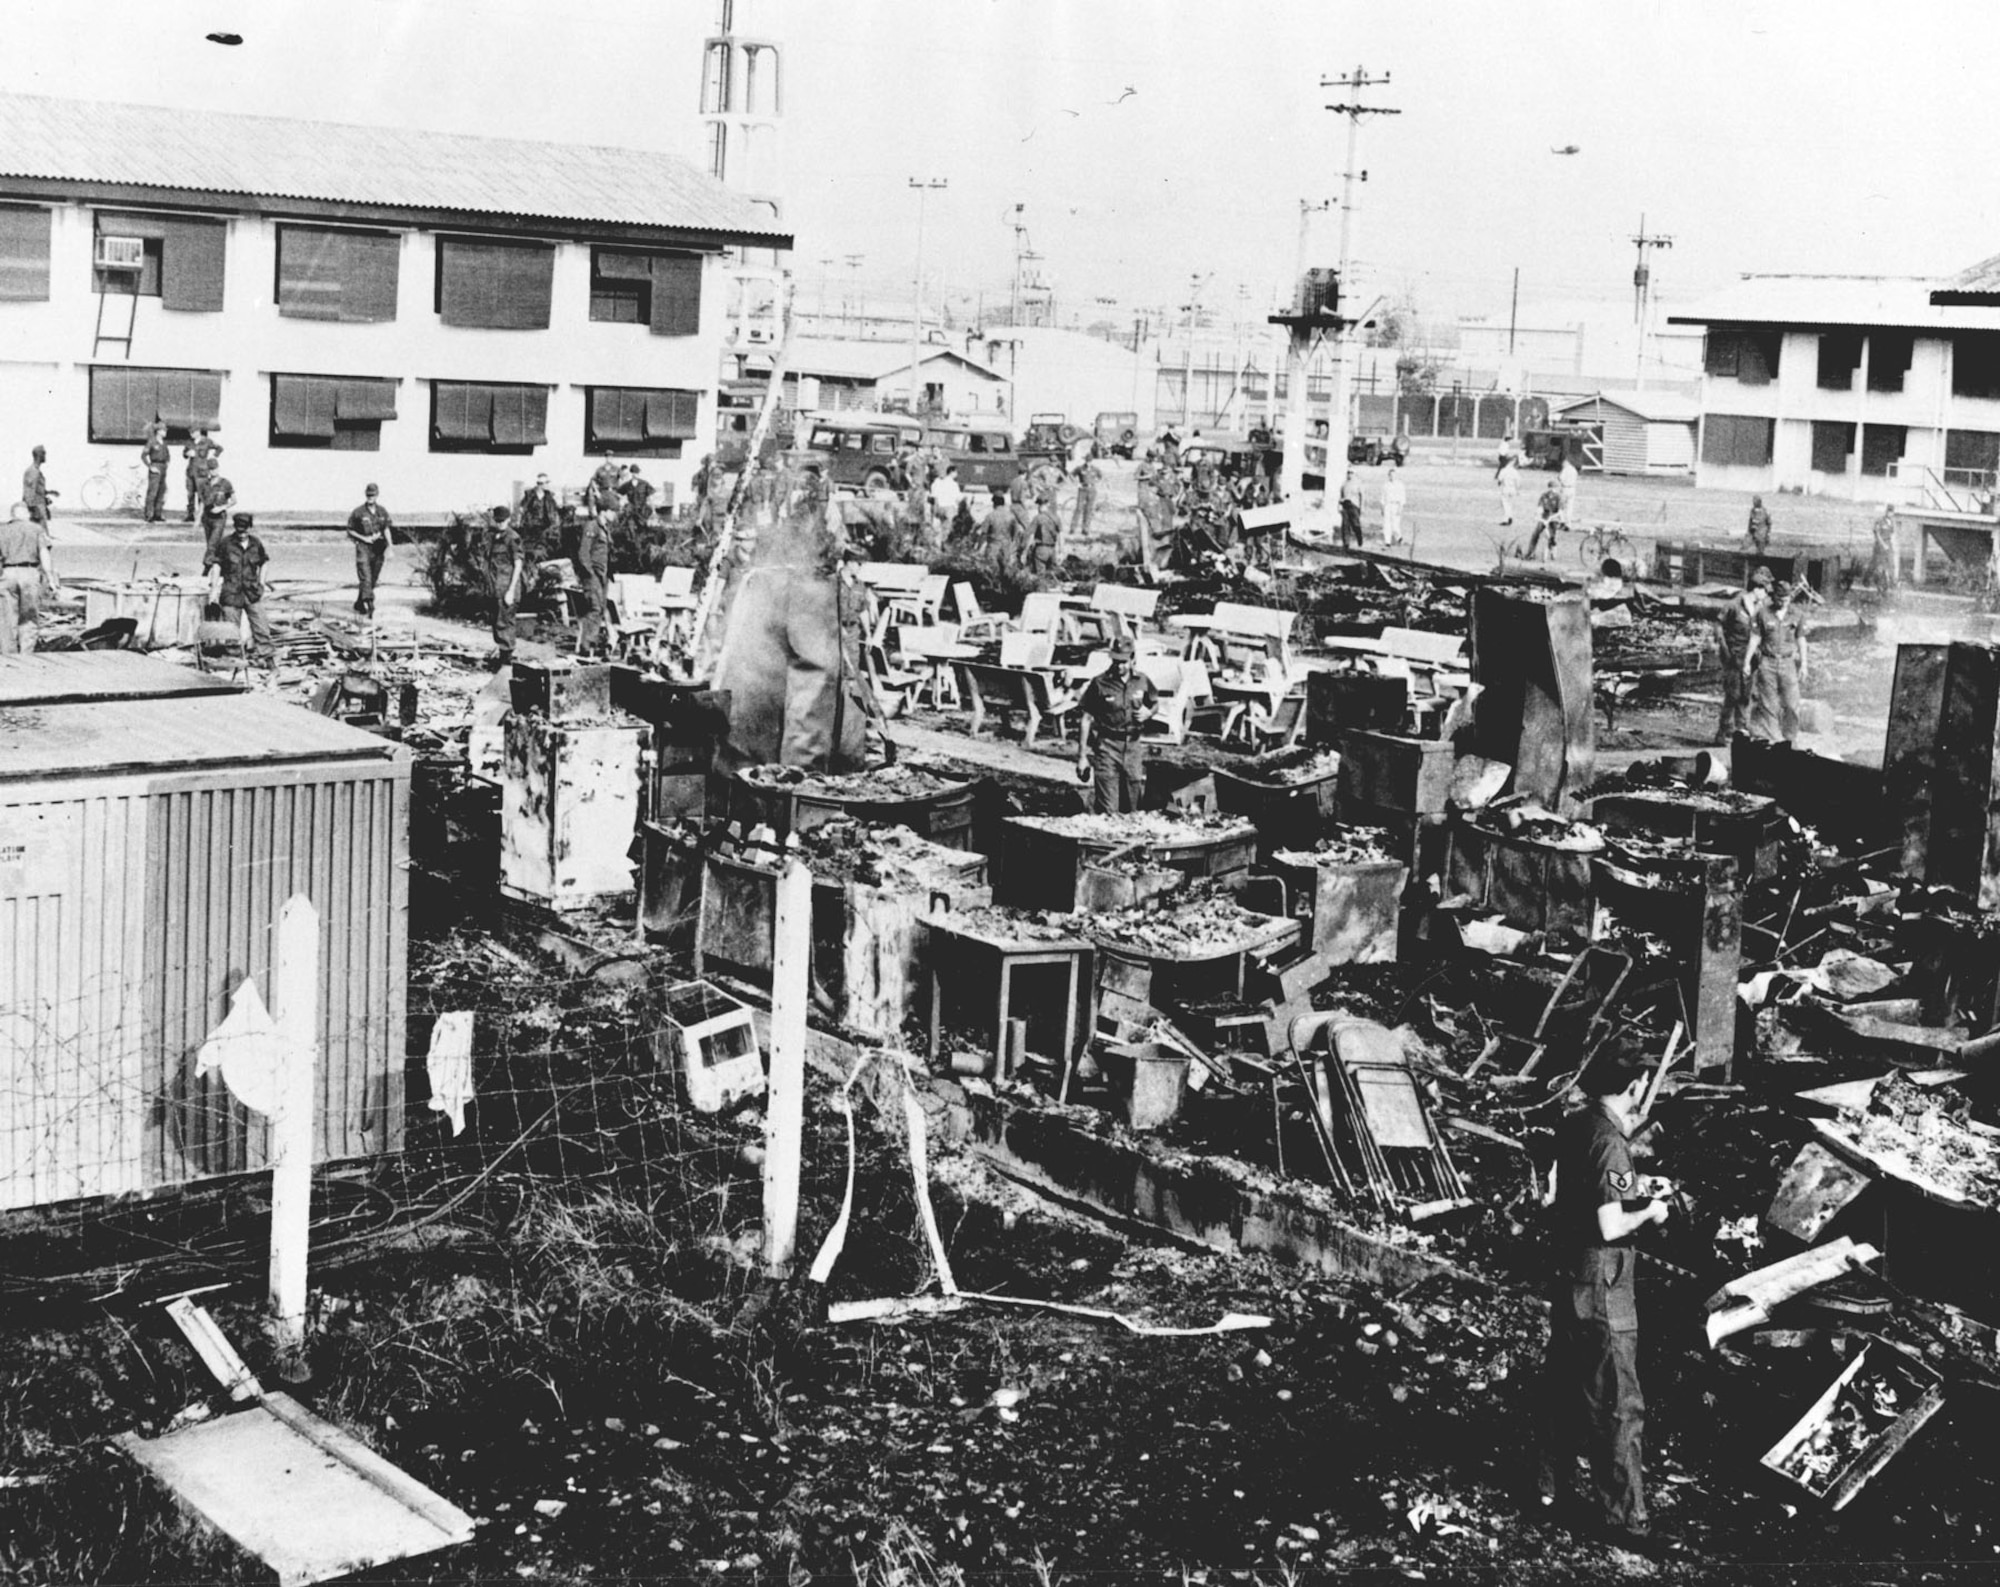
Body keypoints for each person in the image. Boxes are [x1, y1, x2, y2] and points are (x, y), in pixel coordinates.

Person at [1536, 1046, 1671, 1554]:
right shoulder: (1612, 1141)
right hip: (1603, 1283)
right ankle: (1625, 1521)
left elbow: (1567, 1194)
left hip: (1568, 1275)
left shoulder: (1577, 1125)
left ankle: (1548, 1492)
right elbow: (1611, 1223)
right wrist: (1652, 1211)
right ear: (1636, 1086)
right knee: (1618, 1400)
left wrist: (1629, 1192)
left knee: (1563, 1387)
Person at [1074, 635, 1159, 815]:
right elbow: (1085, 719)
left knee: (1133, 807)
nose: (1119, 666)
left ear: (1133, 658)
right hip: (1107, 747)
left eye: (1124, 661)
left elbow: (1155, 703)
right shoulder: (1099, 683)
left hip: (1133, 748)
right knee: (1109, 810)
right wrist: (1082, 757)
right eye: (1116, 661)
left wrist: (1149, 713)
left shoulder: (1142, 680)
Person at [205, 511, 274, 667]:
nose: (242, 533)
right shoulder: (225, 543)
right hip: (231, 593)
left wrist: (262, 583)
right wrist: (213, 591)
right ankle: (234, 663)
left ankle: (268, 659)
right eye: (239, 529)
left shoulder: (256, 543)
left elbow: (264, 562)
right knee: (231, 633)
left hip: (252, 592)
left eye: (245, 529)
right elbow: (216, 566)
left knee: (262, 628)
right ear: (235, 527)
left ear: (250, 528)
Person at [1749, 580, 1809, 741]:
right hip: (1767, 663)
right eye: (1780, 598)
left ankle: (1789, 739)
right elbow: (1755, 637)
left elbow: (1801, 640)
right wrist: (1747, 661)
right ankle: (1776, 740)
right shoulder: (1762, 613)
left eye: (1786, 599)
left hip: (1788, 663)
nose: (1783, 602)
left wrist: (1804, 664)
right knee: (1768, 705)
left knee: (1791, 704)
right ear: (1773, 597)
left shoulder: (1798, 614)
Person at [1716, 567, 1768, 741]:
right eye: (1764, 590)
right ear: (1757, 589)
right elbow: (1719, 627)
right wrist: (1725, 650)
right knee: (1732, 695)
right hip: (1733, 656)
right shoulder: (1734, 605)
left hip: (1751, 658)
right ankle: (1723, 731)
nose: (1766, 594)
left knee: (1746, 695)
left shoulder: (1760, 609)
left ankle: (1741, 730)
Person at [0, 492, 56, 653]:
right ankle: (26, 654)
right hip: (30, 573)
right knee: (29, 618)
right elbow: (44, 553)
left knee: (7, 618)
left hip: (8, 573)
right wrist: (50, 578)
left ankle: (8, 655)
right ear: (26, 514)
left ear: (12, 515)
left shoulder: (2, 530)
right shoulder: (36, 529)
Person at [483, 505, 525, 664]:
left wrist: (511, 590)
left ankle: (506, 663)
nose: (500, 524)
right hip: (496, 588)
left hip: (507, 587)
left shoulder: (512, 537)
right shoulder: (494, 537)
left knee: (505, 624)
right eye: (497, 521)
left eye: (502, 521)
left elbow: (518, 564)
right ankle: (503, 658)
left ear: (508, 520)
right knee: (497, 623)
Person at [345, 482, 393, 618]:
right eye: (368, 495)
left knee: (372, 579)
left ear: (377, 495)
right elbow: (350, 530)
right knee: (365, 577)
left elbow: (386, 528)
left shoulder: (382, 511)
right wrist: (364, 538)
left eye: (373, 495)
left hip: (378, 549)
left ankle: (360, 602)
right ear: (365, 495)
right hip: (363, 548)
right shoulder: (358, 512)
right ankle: (370, 606)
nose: (370, 497)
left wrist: (390, 546)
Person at [575, 504, 615, 659]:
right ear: (604, 511)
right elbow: (583, 553)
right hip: (593, 576)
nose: (614, 515)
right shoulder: (592, 526)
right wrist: (590, 574)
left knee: (600, 608)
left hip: (602, 575)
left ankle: (590, 645)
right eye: (612, 511)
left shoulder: (604, 528)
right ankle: (587, 647)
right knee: (595, 608)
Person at [517, 472, 561, 556]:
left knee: (546, 540)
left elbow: (555, 509)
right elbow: (522, 508)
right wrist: (521, 520)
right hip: (531, 525)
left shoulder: (549, 496)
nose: (545, 485)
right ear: (539, 484)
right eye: (543, 483)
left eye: (547, 483)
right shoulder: (530, 495)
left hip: (545, 525)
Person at [182, 429, 221, 523]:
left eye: (193, 432)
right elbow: (184, 454)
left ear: (198, 431)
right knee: (190, 494)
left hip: (201, 472)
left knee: (201, 494)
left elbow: (219, 448)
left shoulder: (207, 441)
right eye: (191, 432)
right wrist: (187, 454)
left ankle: (202, 515)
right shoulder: (189, 442)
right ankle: (190, 515)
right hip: (191, 471)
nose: (192, 434)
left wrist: (213, 457)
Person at [139, 423, 172, 523]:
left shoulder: (164, 443)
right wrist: (150, 467)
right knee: (152, 492)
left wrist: (167, 463)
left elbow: (168, 455)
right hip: (155, 466)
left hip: (163, 468)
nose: (165, 432)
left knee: (161, 491)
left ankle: (158, 514)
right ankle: (149, 515)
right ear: (158, 431)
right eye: (163, 430)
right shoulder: (152, 442)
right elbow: (143, 456)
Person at [1528, 479, 1566, 562]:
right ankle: (1531, 552)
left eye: (1554, 488)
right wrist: (1537, 514)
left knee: (1552, 535)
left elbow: (1560, 512)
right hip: (1545, 516)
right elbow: (1540, 507)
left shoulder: (1559, 497)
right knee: (1536, 533)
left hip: (1554, 517)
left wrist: (1554, 518)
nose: (1552, 490)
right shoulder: (1544, 496)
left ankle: (1552, 548)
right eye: (1550, 487)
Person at [21, 445, 53, 530]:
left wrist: (48, 493)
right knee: (40, 537)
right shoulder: (32, 471)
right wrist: (33, 509)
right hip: (37, 510)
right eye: (44, 453)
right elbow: (29, 492)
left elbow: (37, 489)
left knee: (40, 538)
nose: (45, 456)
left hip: (40, 508)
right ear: (39, 455)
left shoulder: (36, 471)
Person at [1070, 454, 1101, 536]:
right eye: (1087, 461)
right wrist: (1077, 483)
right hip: (1082, 490)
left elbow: (1101, 477)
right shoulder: (1080, 468)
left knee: (1089, 509)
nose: (1088, 463)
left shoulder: (1095, 469)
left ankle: (1085, 529)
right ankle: (1073, 528)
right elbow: (1071, 475)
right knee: (1079, 508)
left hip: (1091, 490)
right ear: (1085, 461)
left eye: (1090, 461)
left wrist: (1095, 483)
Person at [1869, 507, 1898, 591]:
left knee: (1891, 563)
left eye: (1891, 512)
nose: (1890, 514)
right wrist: (1883, 545)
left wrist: (1891, 545)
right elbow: (1877, 535)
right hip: (1880, 544)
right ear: (1886, 512)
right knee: (1877, 564)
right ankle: (1869, 580)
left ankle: (1893, 582)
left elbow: (1892, 534)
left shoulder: (1891, 522)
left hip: (1888, 544)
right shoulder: (1880, 521)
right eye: (1889, 512)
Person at [1381, 464, 1408, 548]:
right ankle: (1387, 542)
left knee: (1395, 525)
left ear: (1396, 476)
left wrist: (1400, 507)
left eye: (1393, 475)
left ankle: (1399, 538)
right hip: (1387, 505)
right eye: (1390, 475)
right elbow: (1382, 498)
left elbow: (1402, 498)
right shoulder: (1385, 485)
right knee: (1386, 524)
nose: (1392, 477)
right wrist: (1382, 508)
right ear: (1388, 476)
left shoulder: (1400, 485)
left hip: (1396, 505)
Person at [1337, 468, 1364, 549]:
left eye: (1351, 473)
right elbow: (1341, 495)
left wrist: (1362, 507)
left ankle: (1359, 538)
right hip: (1345, 505)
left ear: (1354, 474)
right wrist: (1339, 505)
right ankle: (1346, 543)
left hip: (1354, 505)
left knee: (1355, 524)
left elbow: (1362, 496)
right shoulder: (1344, 484)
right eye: (1348, 473)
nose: (1349, 474)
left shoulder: (1358, 483)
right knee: (1345, 524)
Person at [1496, 450, 1521, 528]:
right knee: (1510, 504)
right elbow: (1518, 481)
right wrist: (1517, 490)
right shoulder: (1515, 472)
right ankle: (1510, 516)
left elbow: (1499, 480)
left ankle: (1506, 519)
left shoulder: (1503, 470)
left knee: (1505, 504)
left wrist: (1500, 483)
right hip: (1513, 489)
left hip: (1505, 488)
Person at [1559, 454, 1581, 524]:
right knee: (1570, 506)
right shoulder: (1574, 470)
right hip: (1572, 489)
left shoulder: (1565, 470)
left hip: (1565, 488)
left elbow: (1560, 478)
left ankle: (1562, 520)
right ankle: (1568, 521)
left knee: (1561, 506)